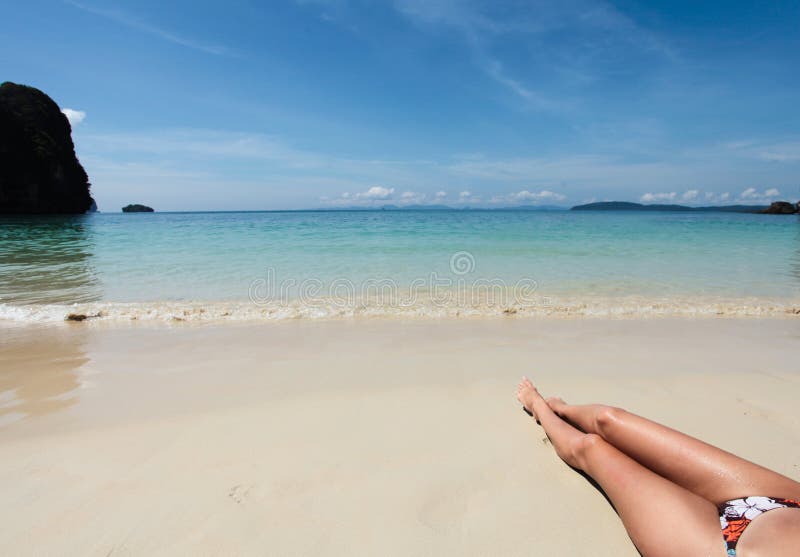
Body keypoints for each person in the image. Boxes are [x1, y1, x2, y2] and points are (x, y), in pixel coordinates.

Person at [516, 377, 800, 557]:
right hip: (790, 502)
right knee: (609, 419)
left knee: (592, 448)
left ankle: (539, 407)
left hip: (721, 548)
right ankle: (564, 409)